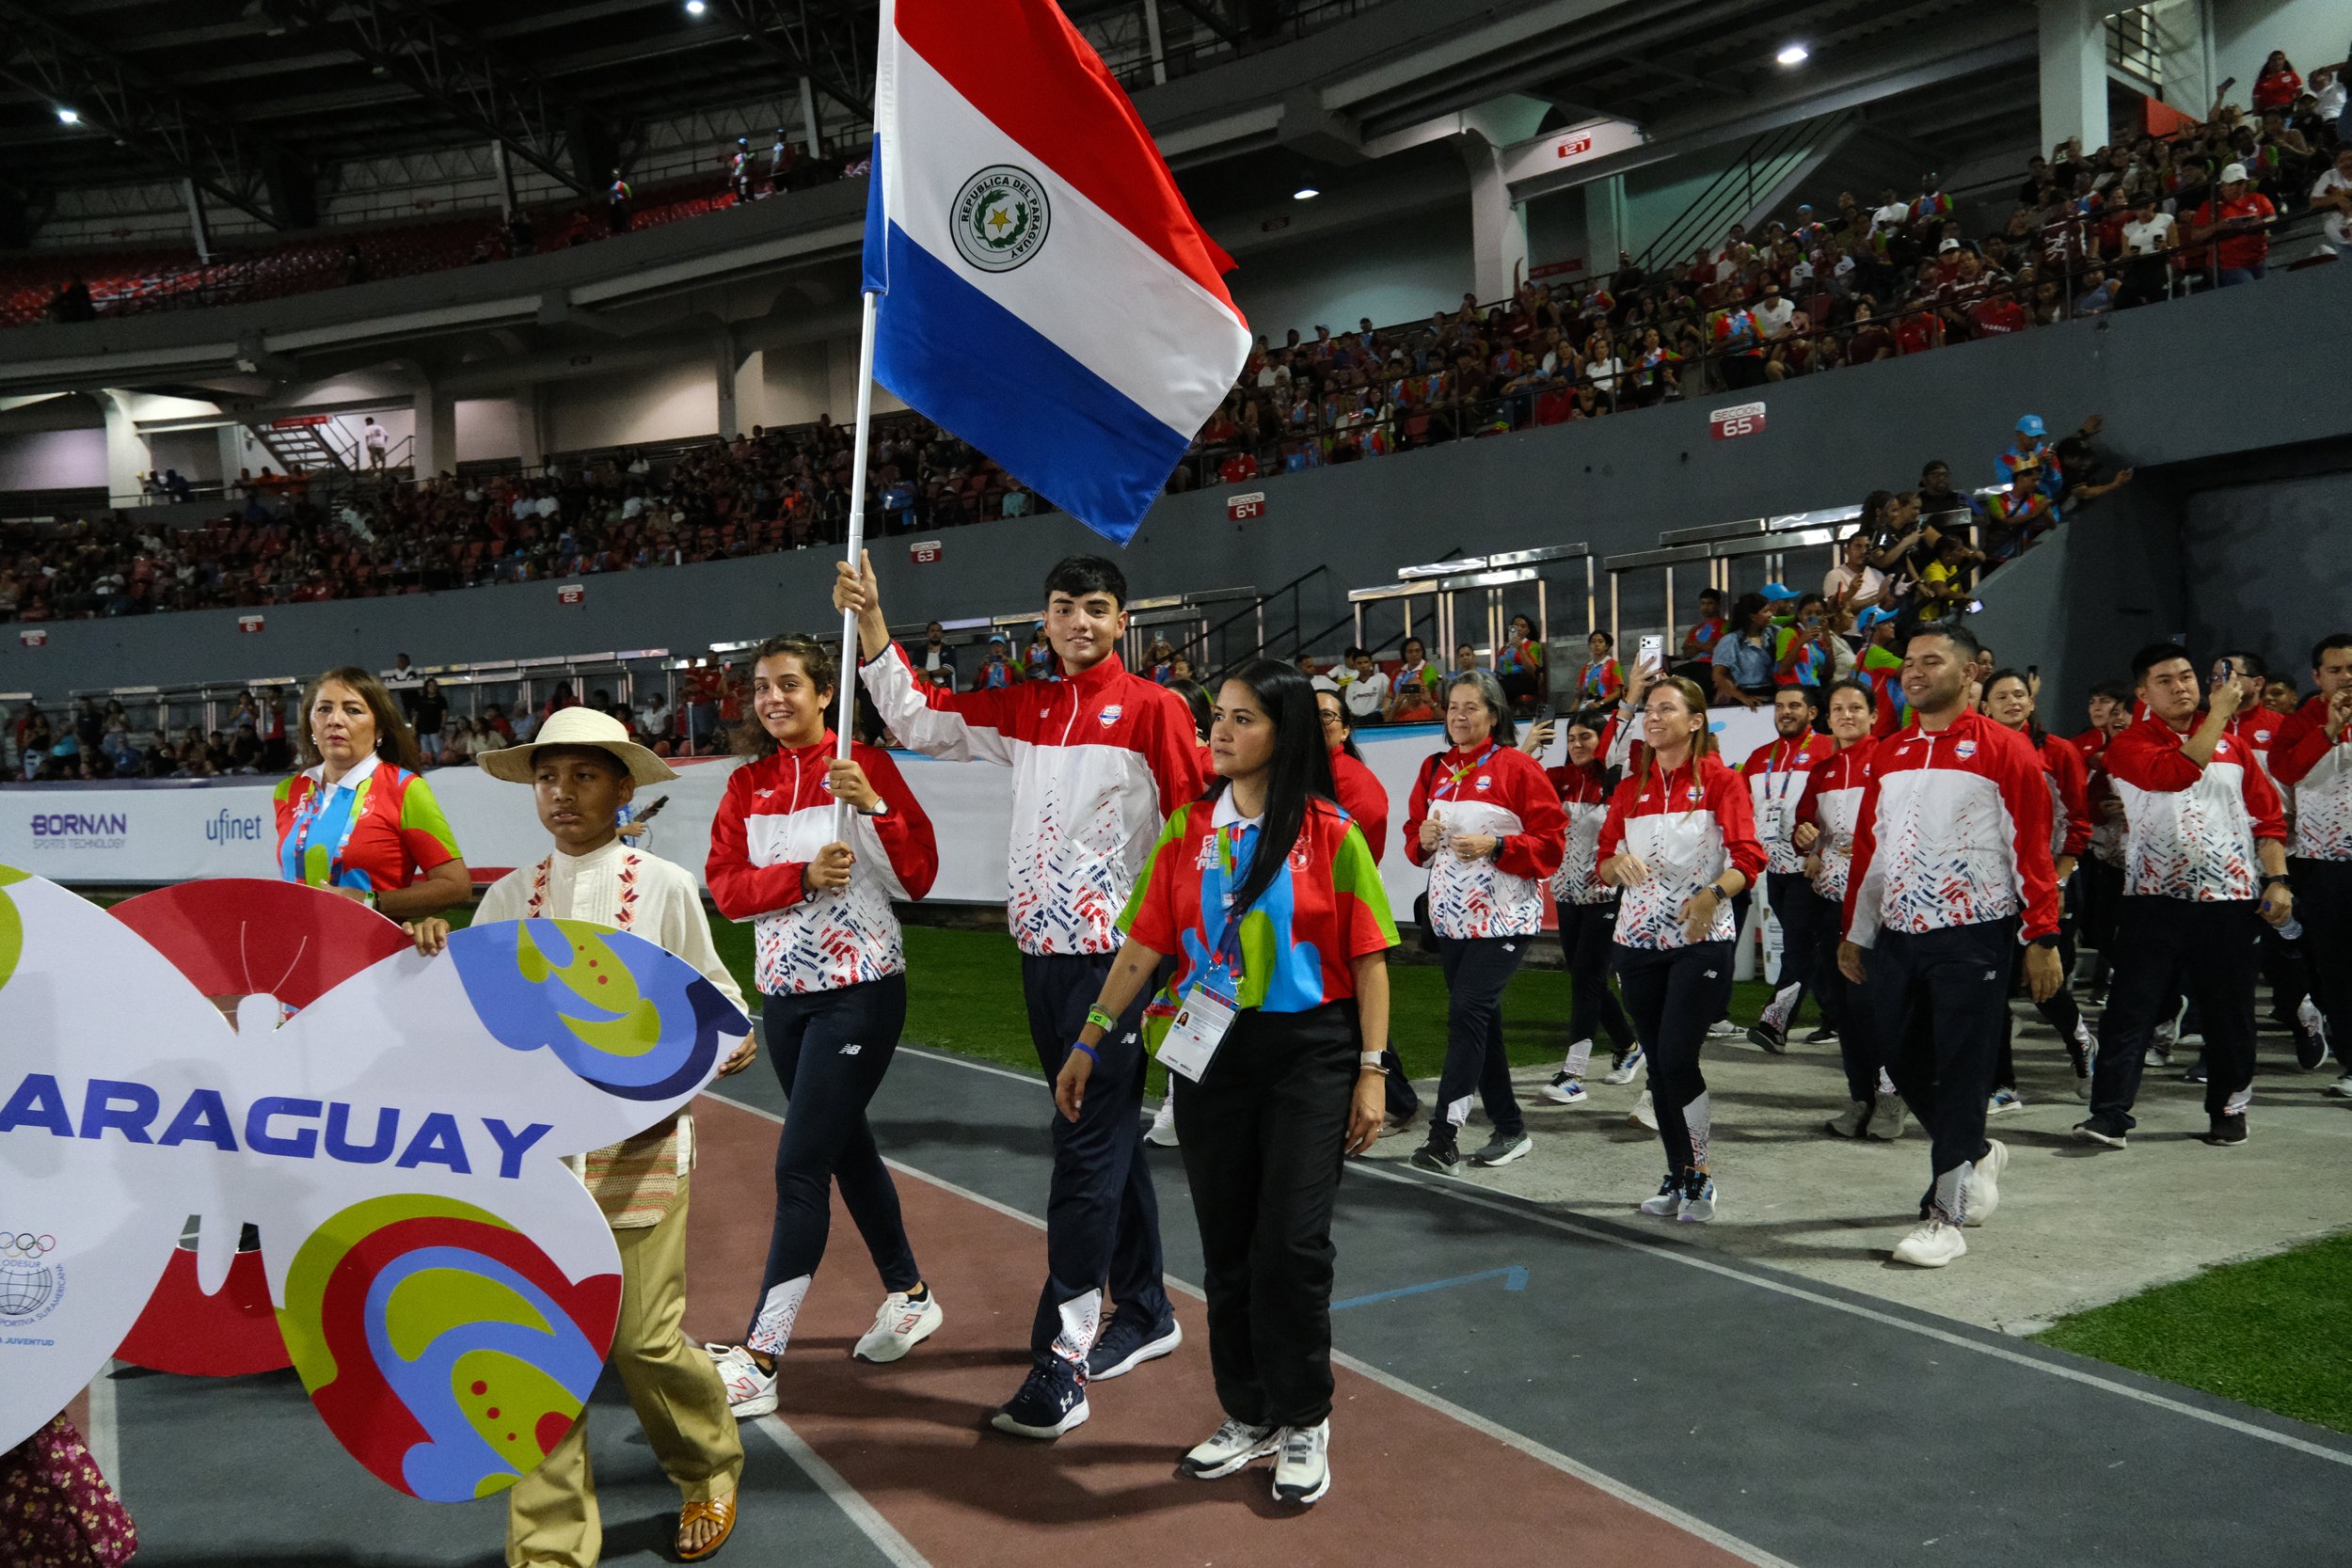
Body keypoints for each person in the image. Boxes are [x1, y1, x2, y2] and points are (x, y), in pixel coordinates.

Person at [835, 550, 1203, 1439]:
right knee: (1103, 1141)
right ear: (1045, 620)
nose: (1080, 621)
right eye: (1065, 606)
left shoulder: (1154, 708)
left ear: (1122, 621)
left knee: (1082, 1150)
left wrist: (1185, 958)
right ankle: (1146, 1307)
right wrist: (874, 621)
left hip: (1112, 962)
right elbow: (920, 720)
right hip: (1041, 960)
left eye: (1097, 607)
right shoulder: (1028, 706)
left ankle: (1063, 1358)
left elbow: (1196, 831)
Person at [407, 706, 755, 1565]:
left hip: (639, 1145)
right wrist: (432, 952)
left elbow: (717, 996)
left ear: (623, 787)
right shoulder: (504, 897)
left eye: (584, 775)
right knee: (533, 1345)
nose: (562, 793)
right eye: (547, 777)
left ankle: (708, 1465)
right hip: (529, 1155)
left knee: (643, 1338)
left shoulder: (664, 885)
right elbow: (470, 1016)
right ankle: (549, 1544)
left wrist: (732, 1036)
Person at [1054, 659, 1396, 1508]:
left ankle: (1305, 1415)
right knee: (1228, 1247)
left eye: (1244, 718)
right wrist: (1091, 1036)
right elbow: (1145, 941)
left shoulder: (1329, 831)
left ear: (1285, 731)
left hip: (1309, 1054)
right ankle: (1249, 1411)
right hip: (1209, 1054)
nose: (1221, 730)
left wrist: (1371, 1071)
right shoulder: (1187, 829)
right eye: (1219, 716)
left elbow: (1370, 957)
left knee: (1293, 1244)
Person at [702, 634, 945, 1420]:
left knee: (800, 1166)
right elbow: (727, 889)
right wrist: (800, 877)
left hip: (859, 991)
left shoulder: (863, 768)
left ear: (825, 692)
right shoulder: (747, 784)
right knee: (845, 1148)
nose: (774, 698)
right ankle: (910, 1293)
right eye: (762, 687)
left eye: (790, 684)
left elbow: (919, 876)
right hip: (785, 997)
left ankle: (762, 1355)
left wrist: (874, 807)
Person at [1837, 622, 2059, 1269]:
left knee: (1963, 1070)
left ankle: (1946, 1215)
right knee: (1897, 1058)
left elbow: (2031, 848)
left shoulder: (2006, 749)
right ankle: (1976, 1153)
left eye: (1932, 661)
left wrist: (2041, 934)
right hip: (1899, 933)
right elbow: (1872, 849)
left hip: (1974, 932)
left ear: (1970, 673)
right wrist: (1856, 930)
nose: (1914, 671)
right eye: (1909, 661)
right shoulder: (1890, 752)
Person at [2076, 645, 2293, 1149]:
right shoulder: (2129, 746)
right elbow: (2175, 774)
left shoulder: (2234, 748)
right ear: (2143, 692)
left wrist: (2278, 880)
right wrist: (2218, 715)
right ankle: (2109, 1114)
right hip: (2153, 900)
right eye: (2165, 680)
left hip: (2230, 900)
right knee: (2130, 1010)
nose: (2180, 687)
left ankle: (2229, 1108)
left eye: (2187, 676)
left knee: (2230, 1014)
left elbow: (2268, 820)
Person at [1597, 674, 1762, 1219]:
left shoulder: (1722, 781)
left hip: (1699, 941)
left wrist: (1713, 895)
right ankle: (1677, 1174)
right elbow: (1603, 863)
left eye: (1666, 708)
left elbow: (1748, 860)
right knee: (1659, 1068)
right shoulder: (1629, 789)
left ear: (1695, 722)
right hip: (1636, 944)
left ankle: (1700, 1175)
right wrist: (1615, 863)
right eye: (1649, 708)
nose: (1653, 717)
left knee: (1674, 1058)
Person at [1402, 670, 1565, 1173]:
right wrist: (1422, 840)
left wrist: (1497, 844)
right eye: (1453, 707)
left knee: (1467, 1015)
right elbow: (1413, 842)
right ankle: (1511, 1128)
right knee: (1480, 1022)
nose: (1459, 716)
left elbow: (1552, 844)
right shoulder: (1434, 768)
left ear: (1494, 715)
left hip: (1505, 920)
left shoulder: (1517, 766)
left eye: (1471, 707)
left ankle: (1443, 1137)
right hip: (1451, 923)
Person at [1792, 678, 1906, 1138]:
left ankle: (1892, 1097)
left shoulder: (1889, 758)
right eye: (1838, 708)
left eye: (1856, 708)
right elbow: (1804, 827)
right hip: (1830, 902)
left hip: (1880, 904)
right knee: (1841, 1006)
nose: (1846, 715)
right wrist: (1805, 838)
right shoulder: (1821, 770)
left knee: (1874, 1005)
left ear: (1874, 716)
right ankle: (1860, 1097)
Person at [1979, 669, 2097, 1107]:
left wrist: (2057, 880)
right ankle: (2002, 1085)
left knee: (2041, 983)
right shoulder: (1978, 751)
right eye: (2002, 696)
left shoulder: (2060, 752)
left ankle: (2081, 1040)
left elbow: (2077, 823)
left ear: (2031, 703)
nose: (2013, 702)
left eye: (2020, 695)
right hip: (1988, 885)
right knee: (1991, 986)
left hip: (2043, 881)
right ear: (1985, 707)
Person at [274, 667, 471, 916]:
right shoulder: (288, 791)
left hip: (374, 940)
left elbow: (456, 885)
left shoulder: (403, 787)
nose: (334, 720)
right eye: (324, 709)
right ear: (310, 724)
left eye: (352, 710)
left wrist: (371, 901)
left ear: (379, 729)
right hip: (300, 939)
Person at [1533, 707, 1637, 1102]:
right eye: (1572, 738)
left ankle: (1573, 1074)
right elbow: (1518, 784)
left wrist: (1629, 704)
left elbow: (1622, 743)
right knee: (1585, 978)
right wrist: (1530, 747)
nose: (1577, 744)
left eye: (1586, 737)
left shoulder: (1616, 780)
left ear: (1602, 741)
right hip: (1566, 895)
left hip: (1606, 895)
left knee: (1586, 980)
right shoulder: (1556, 778)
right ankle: (1628, 1046)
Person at [2269, 633, 2352, 1095]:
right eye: (2335, 670)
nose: (2346, 678)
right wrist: (2327, 732)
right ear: (2317, 676)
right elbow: (2286, 772)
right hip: (2324, 865)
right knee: (2334, 967)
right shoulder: (2299, 724)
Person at [1743, 685, 1836, 1053]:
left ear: (1812, 713)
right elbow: (1744, 810)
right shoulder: (1758, 758)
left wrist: (1821, 849)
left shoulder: (1829, 749)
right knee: (1814, 949)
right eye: (1780, 705)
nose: (1785, 712)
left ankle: (1775, 1023)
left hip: (1812, 869)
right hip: (1774, 870)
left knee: (1797, 947)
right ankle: (1837, 1018)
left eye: (1794, 705)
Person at [2183, 162, 2276, 285]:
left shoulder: (2258, 199)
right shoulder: (2210, 207)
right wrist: (2217, 227)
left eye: (2240, 183)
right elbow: (2196, 235)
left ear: (2246, 183)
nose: (2235, 187)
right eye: (2231, 184)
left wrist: (2262, 223)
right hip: (2229, 265)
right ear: (2223, 185)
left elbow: (2272, 216)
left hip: (2258, 259)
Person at [1709, 592, 1777, 707]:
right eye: (1766, 611)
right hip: (1745, 697)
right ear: (1753, 617)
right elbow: (1718, 675)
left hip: (1773, 693)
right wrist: (1743, 697)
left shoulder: (1774, 633)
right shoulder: (1731, 640)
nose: (1770, 615)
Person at [1495, 614, 1546, 709]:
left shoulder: (1532, 645)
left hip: (1524, 680)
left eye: (1523, 626)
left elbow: (1532, 670)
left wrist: (1521, 650)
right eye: (1516, 626)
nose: (1519, 628)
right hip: (1505, 681)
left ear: (1528, 631)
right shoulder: (1504, 649)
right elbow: (1497, 669)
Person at [1387, 636, 1441, 722]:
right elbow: (1390, 695)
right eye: (1410, 651)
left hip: (1422, 713)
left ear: (1422, 652)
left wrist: (1396, 707)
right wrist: (1386, 710)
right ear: (1404, 654)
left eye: (1418, 651)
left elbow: (1419, 697)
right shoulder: (1397, 672)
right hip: (1396, 712)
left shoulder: (1429, 670)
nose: (1414, 654)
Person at [1572, 629, 1624, 705]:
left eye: (1600, 642)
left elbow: (1617, 692)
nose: (1596, 644)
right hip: (1590, 706)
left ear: (1607, 646)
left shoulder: (1613, 664)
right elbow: (1580, 693)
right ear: (1589, 646)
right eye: (1593, 642)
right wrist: (1572, 709)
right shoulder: (1586, 668)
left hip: (1608, 707)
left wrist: (1600, 703)